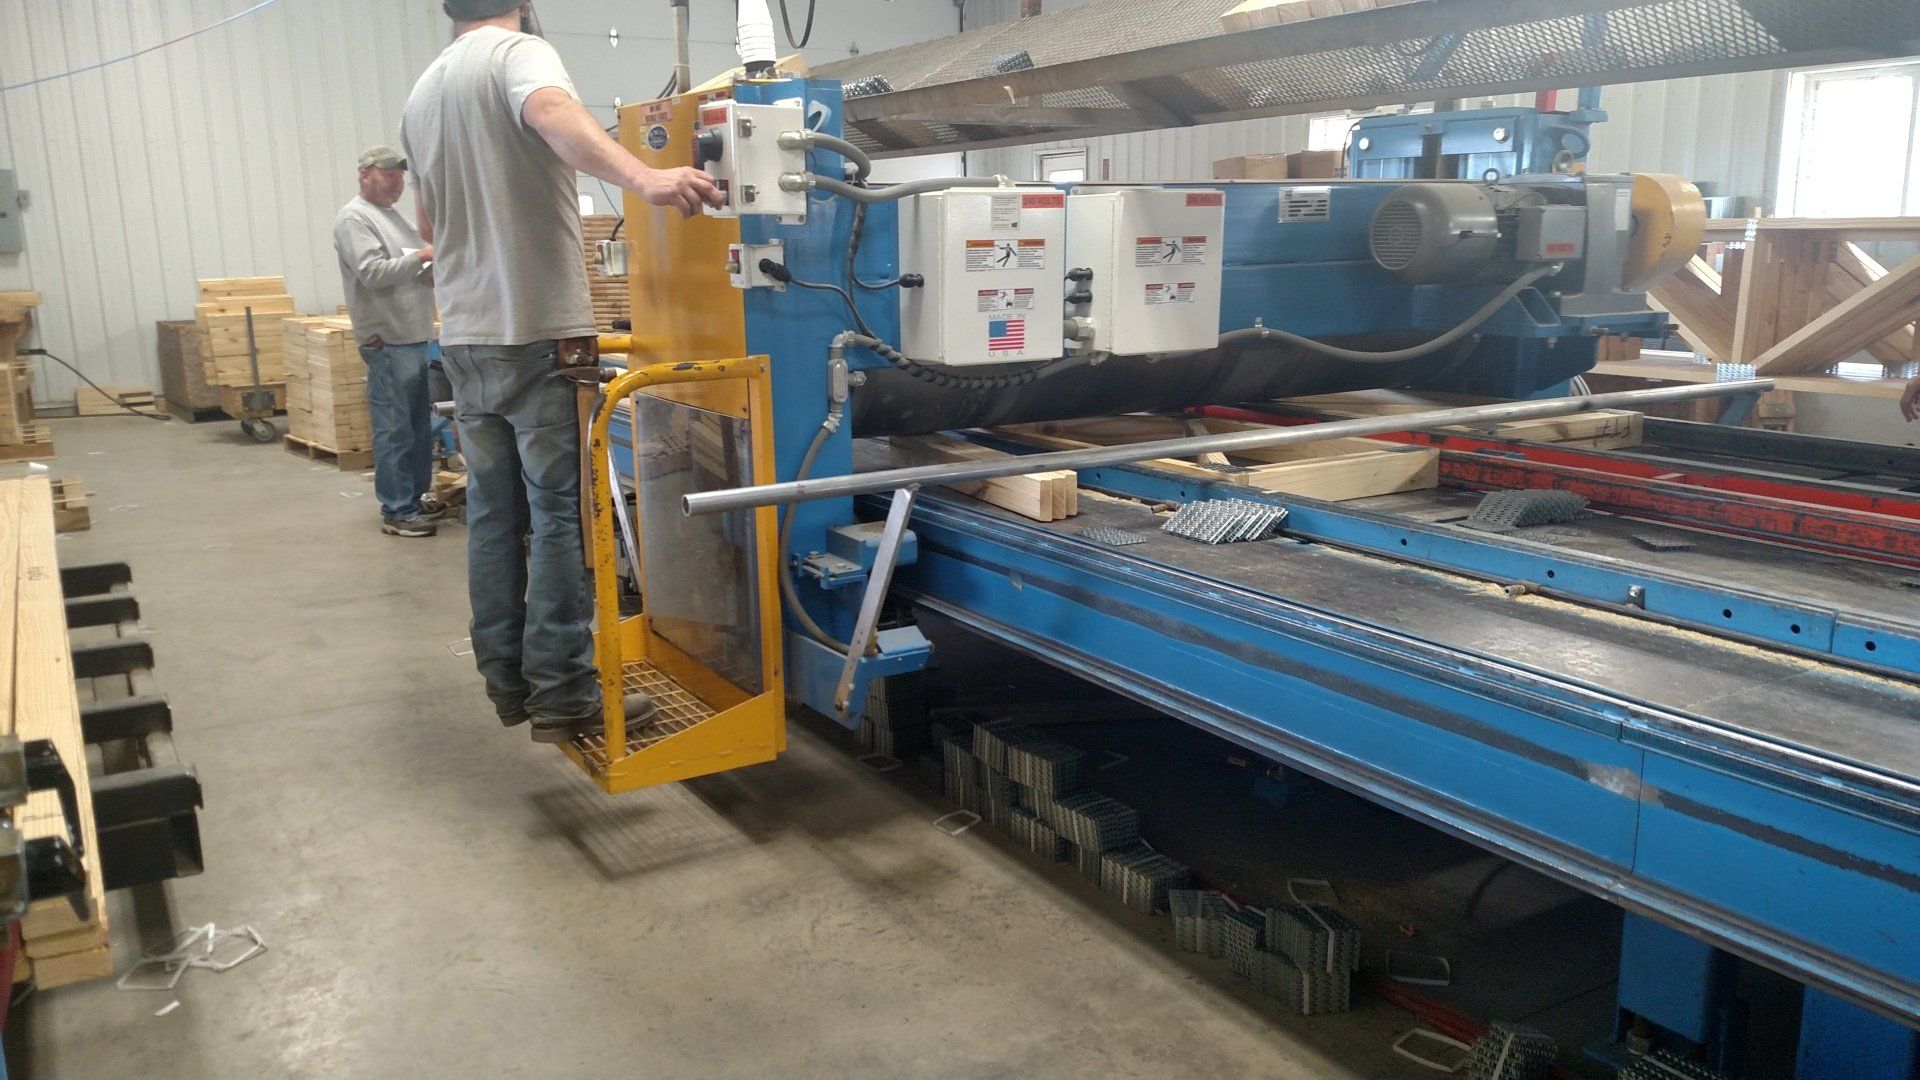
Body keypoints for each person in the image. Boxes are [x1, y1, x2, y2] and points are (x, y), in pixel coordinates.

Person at [401, 0, 722, 744]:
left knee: (491, 514)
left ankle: (509, 681)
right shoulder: (519, 57)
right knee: (558, 518)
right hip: (538, 329)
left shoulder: (423, 91)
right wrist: (644, 177)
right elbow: (551, 113)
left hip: (468, 336)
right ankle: (567, 691)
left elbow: (428, 226)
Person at [333, 147, 443, 538]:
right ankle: (397, 509)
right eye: (388, 173)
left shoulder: (393, 218)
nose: (397, 181)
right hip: (387, 339)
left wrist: (433, 267)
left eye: (400, 174)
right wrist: (424, 257)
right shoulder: (354, 219)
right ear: (364, 175)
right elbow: (372, 273)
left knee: (417, 427)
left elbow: (410, 268)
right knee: (394, 429)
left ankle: (413, 498)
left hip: (414, 335)